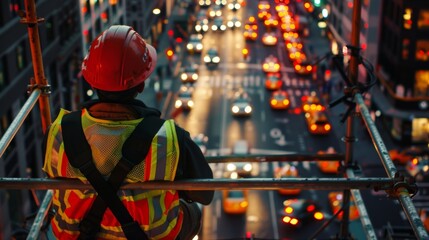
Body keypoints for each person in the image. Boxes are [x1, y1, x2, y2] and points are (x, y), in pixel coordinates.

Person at [42, 25, 214, 240]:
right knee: (193, 213)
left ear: (92, 81)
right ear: (141, 85)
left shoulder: (57, 131)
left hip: (73, 235)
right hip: (151, 236)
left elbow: (53, 180)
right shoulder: (169, 138)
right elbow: (205, 193)